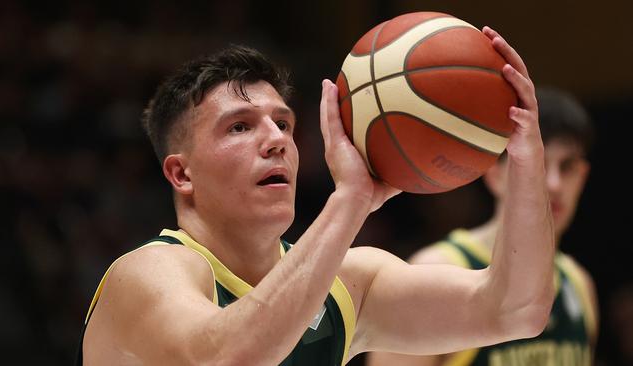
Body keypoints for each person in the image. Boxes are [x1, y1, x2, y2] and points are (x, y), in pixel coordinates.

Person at [78, 26, 556, 365]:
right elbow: (229, 358)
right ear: (181, 174)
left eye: (283, 123)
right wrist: (350, 202)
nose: (276, 140)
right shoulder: (146, 273)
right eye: (240, 127)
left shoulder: (348, 285)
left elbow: (516, 310)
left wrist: (525, 159)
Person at [367, 87, 598, 366]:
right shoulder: (436, 269)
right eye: (539, 165)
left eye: (568, 166)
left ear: (583, 177)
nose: (554, 184)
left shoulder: (579, 284)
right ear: (494, 175)